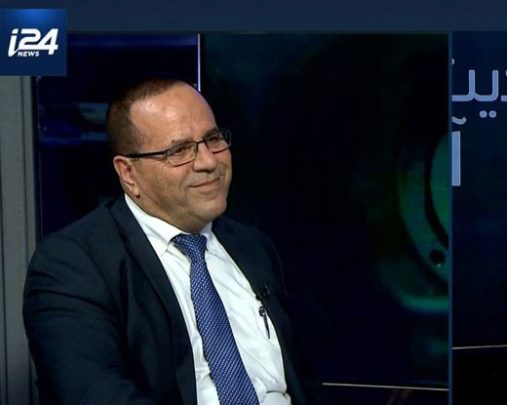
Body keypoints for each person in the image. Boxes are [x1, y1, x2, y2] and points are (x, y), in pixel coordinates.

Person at [24, 78, 321, 405]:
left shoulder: (253, 248)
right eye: (179, 151)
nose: (208, 162)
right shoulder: (73, 265)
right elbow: (96, 393)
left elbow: (303, 382)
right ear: (129, 173)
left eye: (213, 139)